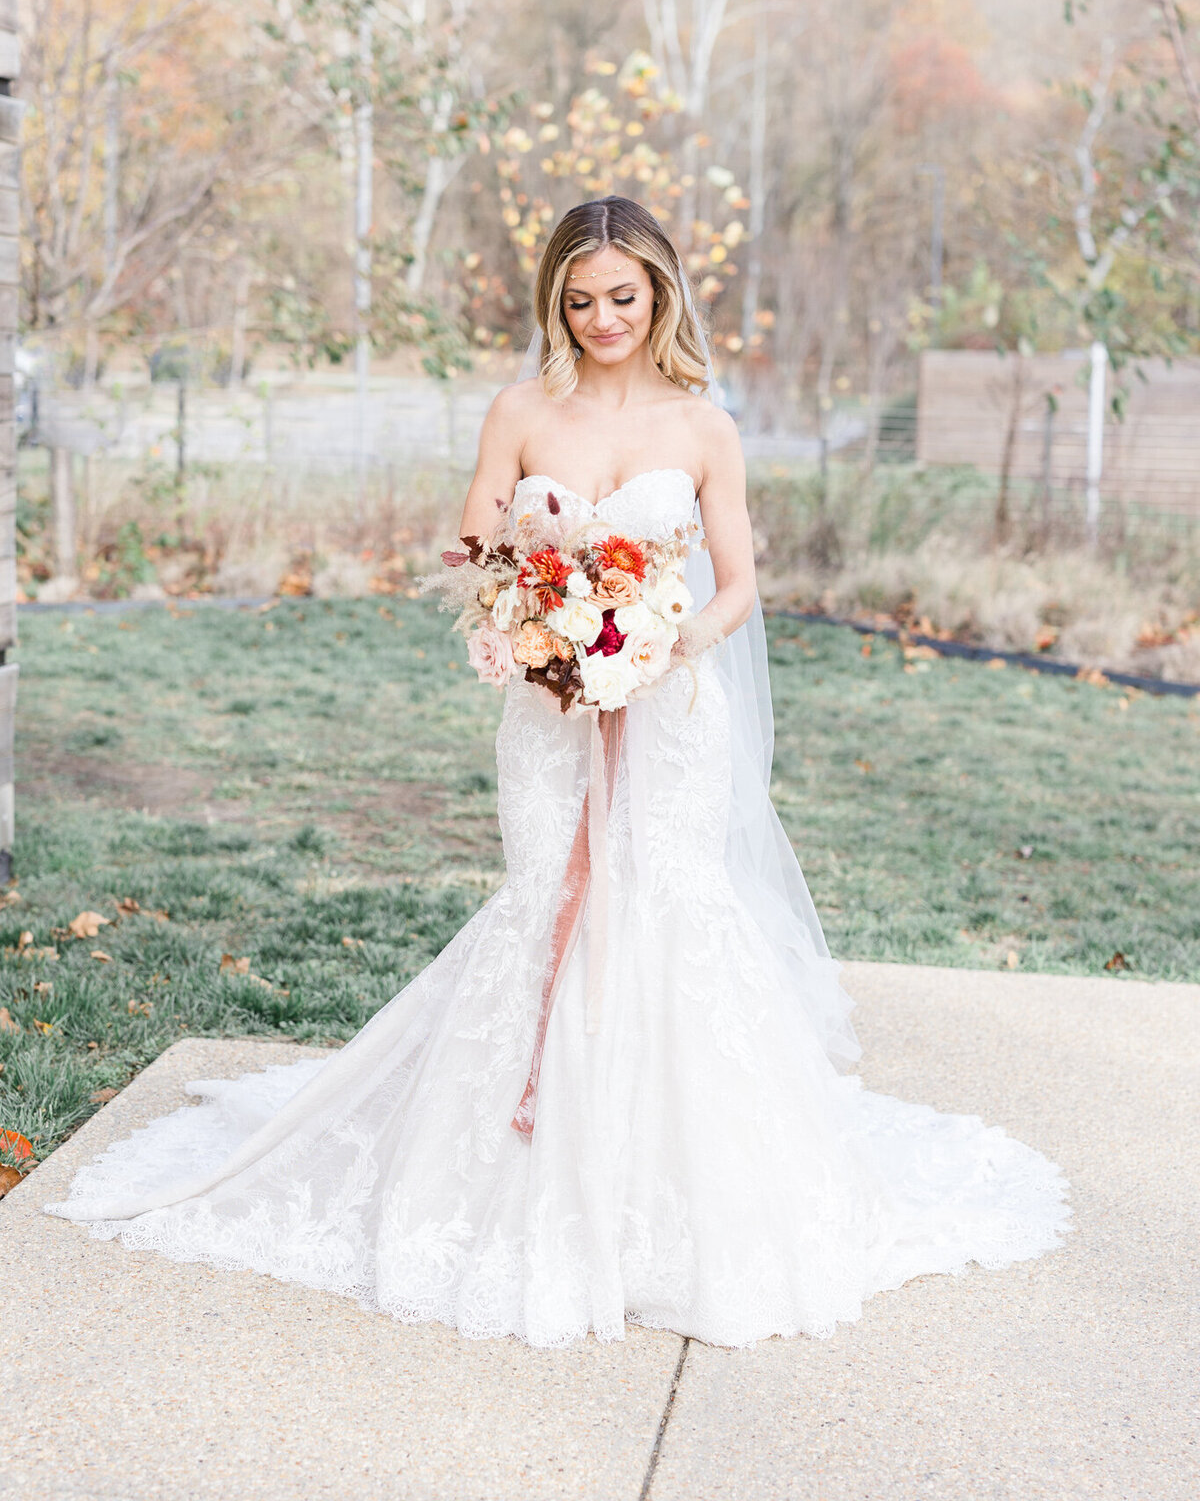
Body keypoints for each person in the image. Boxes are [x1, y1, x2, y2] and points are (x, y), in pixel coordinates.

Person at [47, 196, 1070, 1348]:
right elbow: (479, 548)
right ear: (555, 304)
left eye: (622, 298)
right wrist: (534, 619)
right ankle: (516, 1159)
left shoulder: (704, 429)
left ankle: (672, 1198)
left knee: (668, 908)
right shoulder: (520, 411)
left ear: (661, 292)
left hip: (673, 709)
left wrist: (668, 637)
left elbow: (737, 584)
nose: (602, 319)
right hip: (547, 710)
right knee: (549, 899)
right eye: (579, 302)